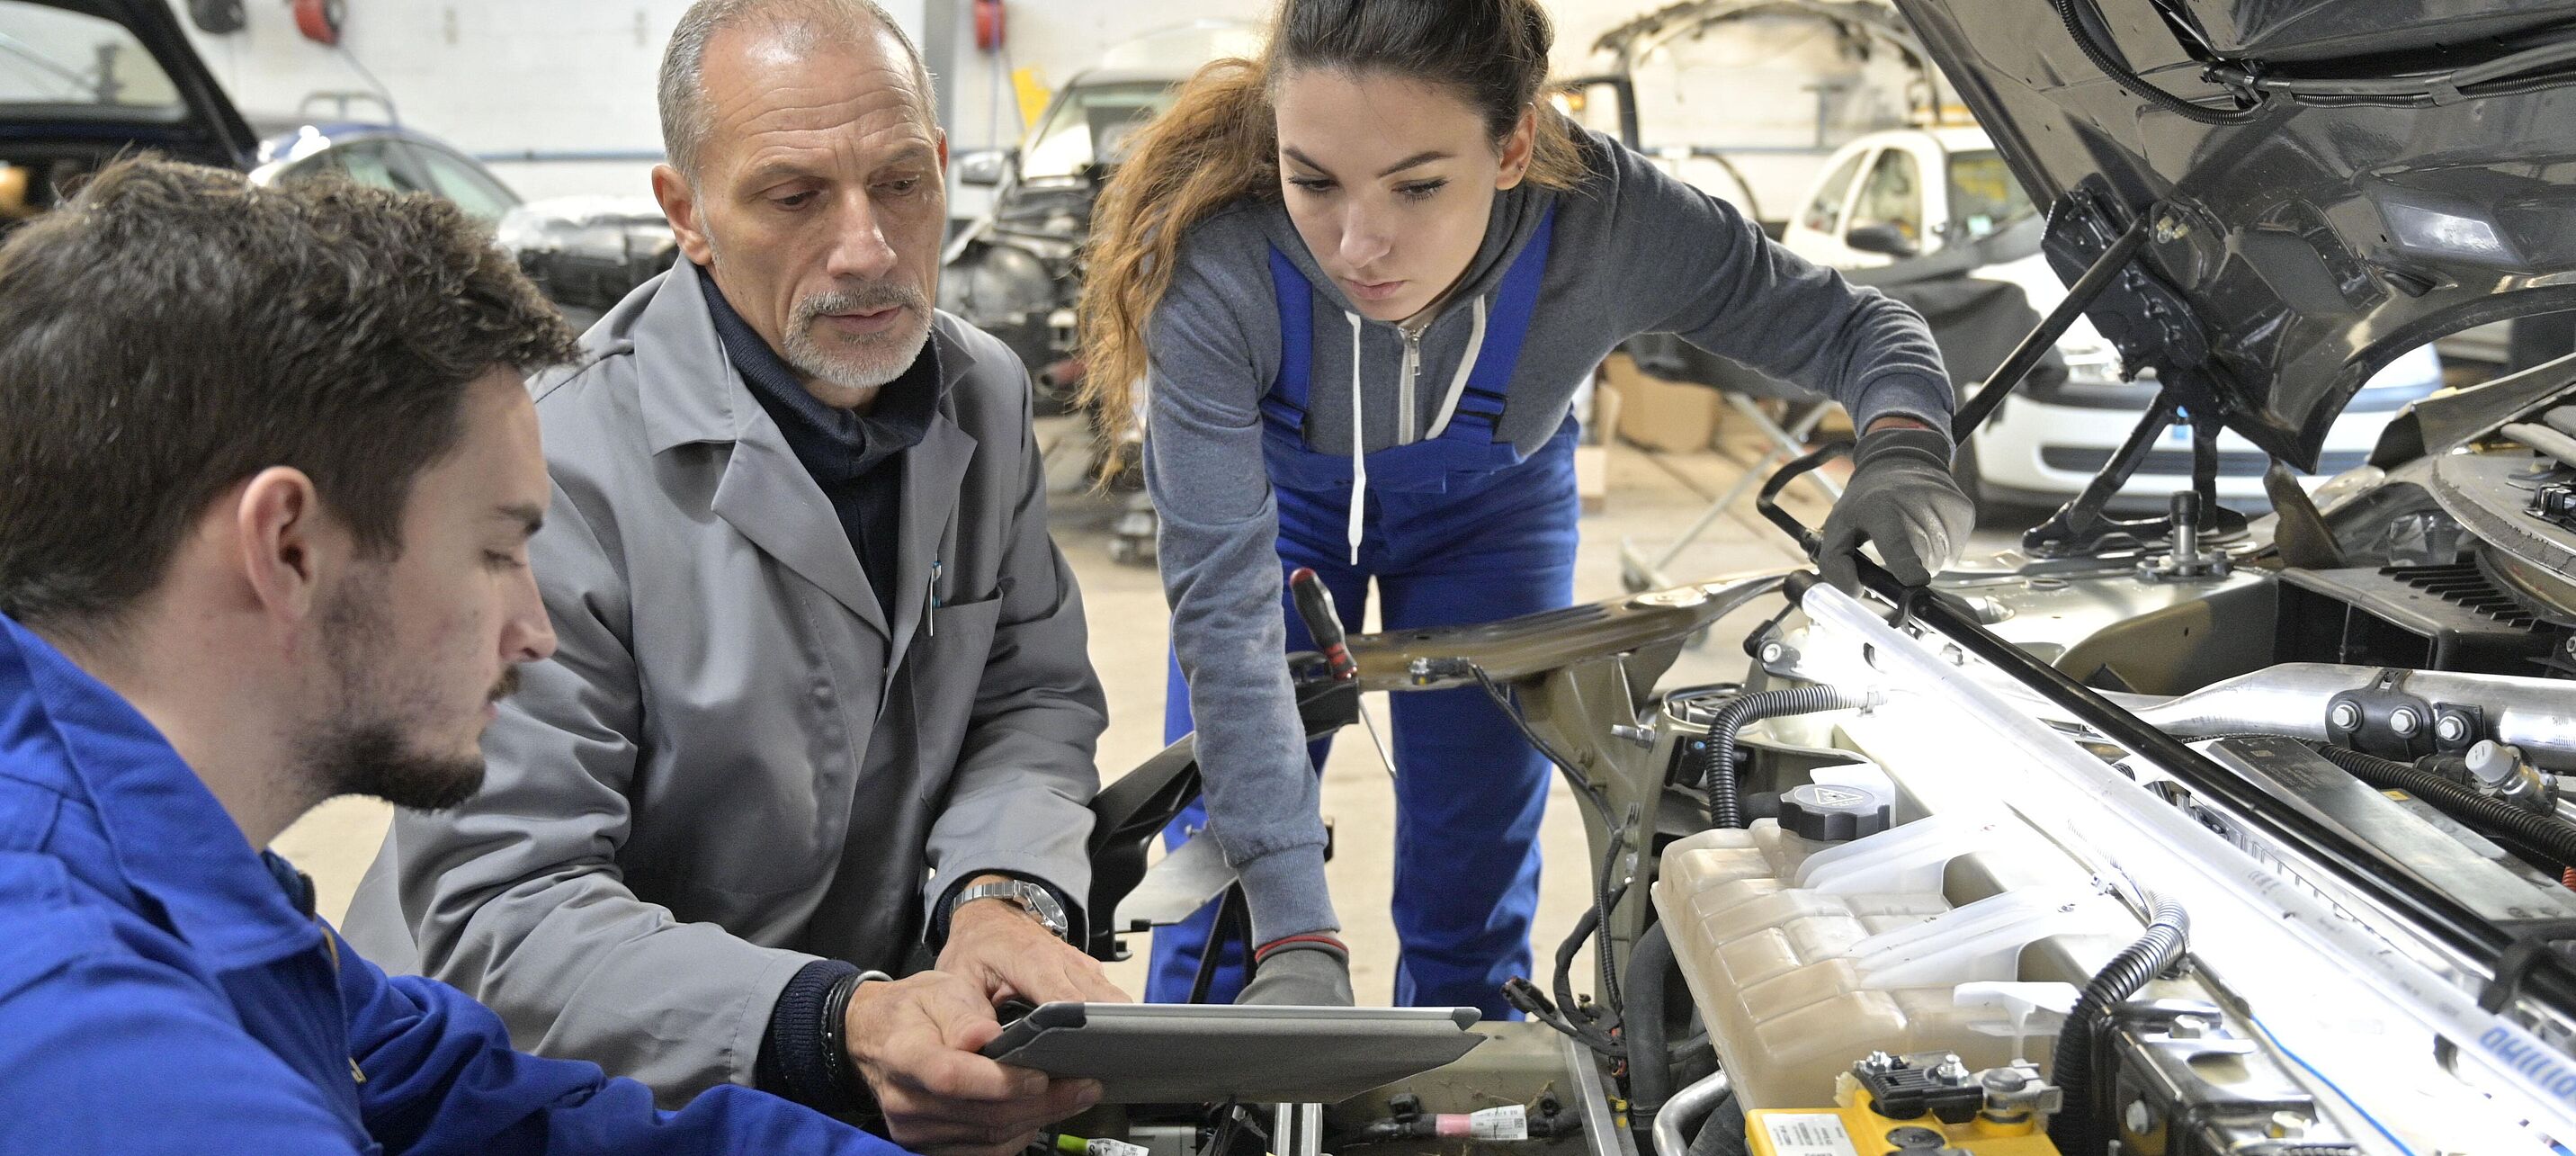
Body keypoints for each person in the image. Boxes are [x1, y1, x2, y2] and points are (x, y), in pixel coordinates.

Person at [1078, 0, 1972, 1012]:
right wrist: (1296, 928)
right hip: (1279, 518)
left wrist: (1903, 448)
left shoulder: (1613, 224)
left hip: (1492, 520)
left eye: (1418, 186)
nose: (1358, 244)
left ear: (1514, 146)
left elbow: (1861, 328)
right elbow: (1229, 635)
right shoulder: (1217, 261)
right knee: (1225, 880)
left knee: (1475, 877)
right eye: (1313, 182)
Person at [0, 156, 901, 1153]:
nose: (535, 626)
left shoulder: (170, 860)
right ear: (287, 547)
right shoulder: (102, 1054)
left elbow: (472, 1100)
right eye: (495, 551)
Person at [341, 1, 1123, 1151]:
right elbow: (505, 908)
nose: (866, 247)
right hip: (534, 1086)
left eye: (900, 183)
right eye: (796, 196)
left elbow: (1030, 699)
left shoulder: (987, 397)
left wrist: (1000, 895)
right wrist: (831, 1017)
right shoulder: (552, 471)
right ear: (687, 215)